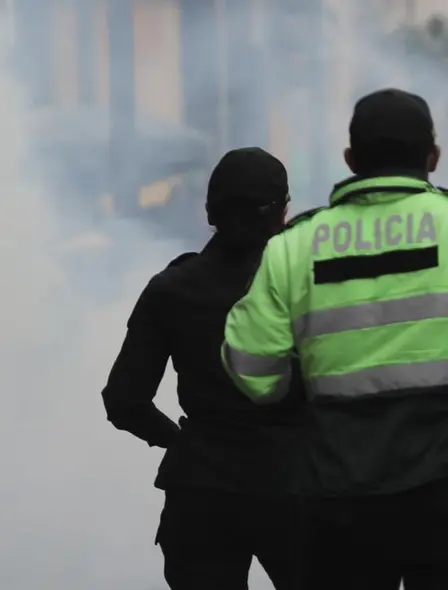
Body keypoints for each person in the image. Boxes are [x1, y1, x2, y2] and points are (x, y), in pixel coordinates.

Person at [221, 88, 448, 589]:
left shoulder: (292, 247)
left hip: (341, 506)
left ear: (352, 159)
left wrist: (299, 402)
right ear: (433, 157)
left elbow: (251, 367)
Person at [101, 148, 305, 590]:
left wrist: (182, 442)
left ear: (210, 211)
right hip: (296, 490)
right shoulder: (306, 286)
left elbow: (123, 401)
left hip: (201, 494)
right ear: (281, 213)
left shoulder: (170, 288)